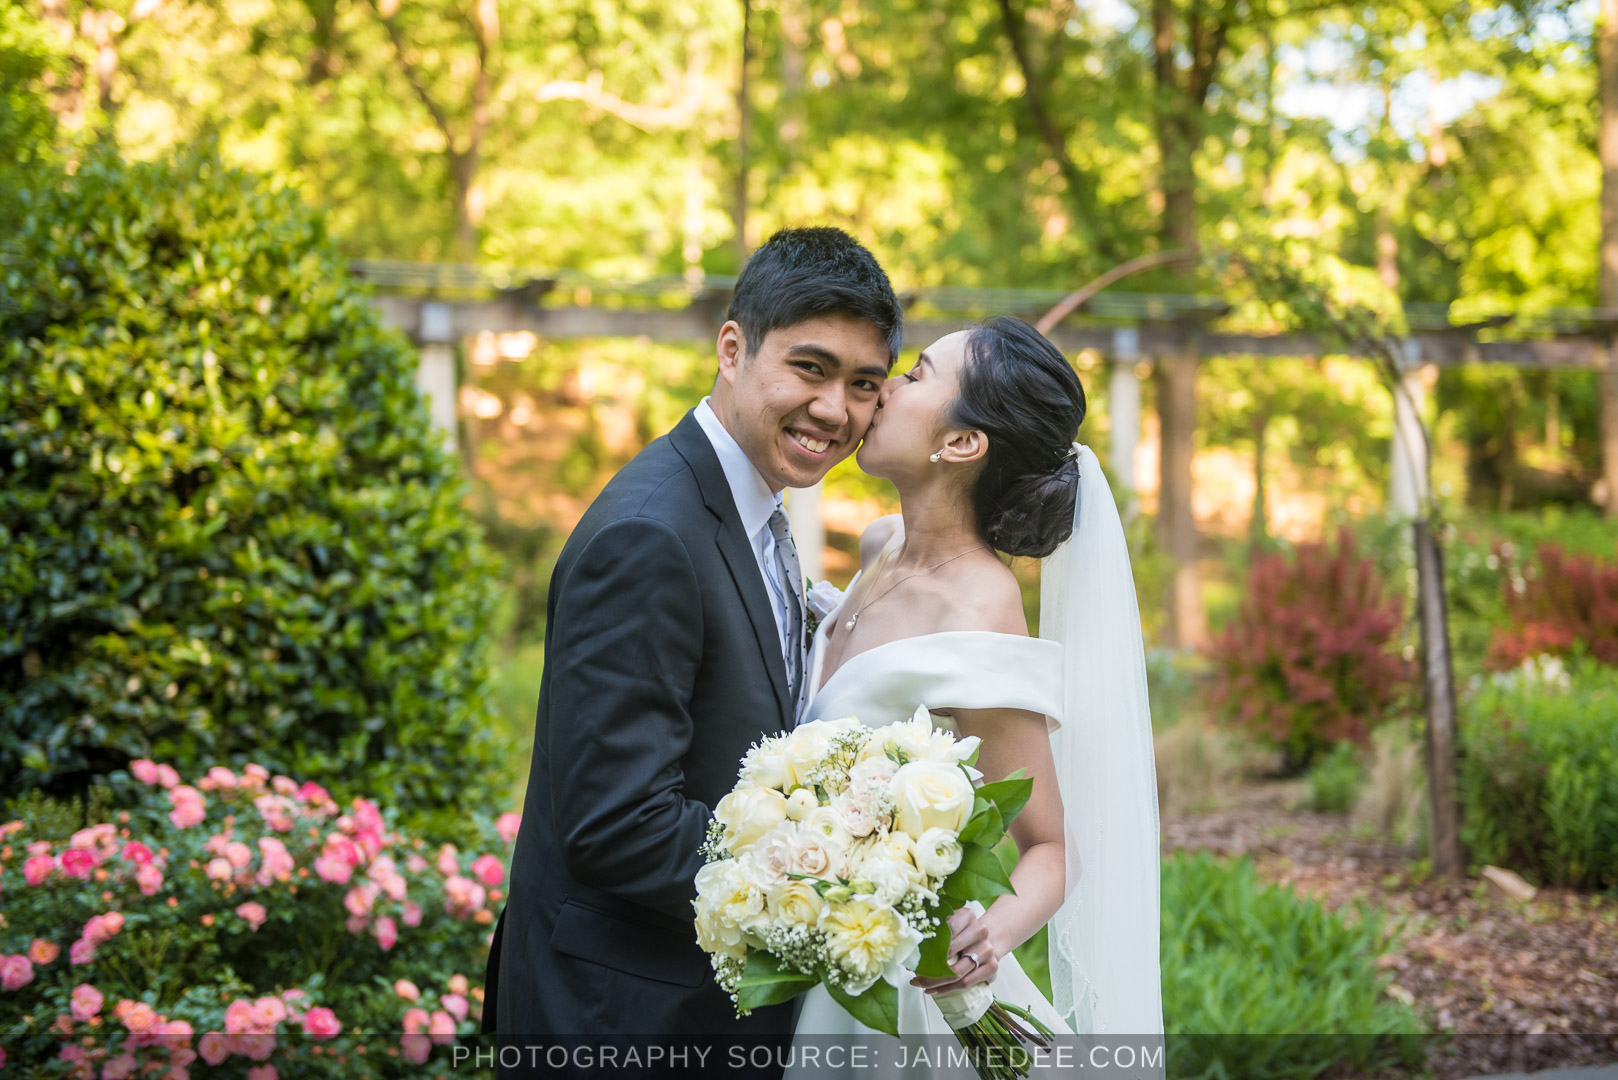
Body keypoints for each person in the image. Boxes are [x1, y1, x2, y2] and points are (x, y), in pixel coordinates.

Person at [482, 227, 903, 1076]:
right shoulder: (650, 534)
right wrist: (831, 884)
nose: (836, 410)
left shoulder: (748, 507)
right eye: (810, 368)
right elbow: (620, 825)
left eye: (864, 384)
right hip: (621, 1021)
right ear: (732, 349)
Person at [786, 317, 1164, 1077]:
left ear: (961, 443)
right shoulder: (880, 545)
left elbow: (1053, 850)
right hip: (803, 943)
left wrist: (983, 941)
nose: (883, 387)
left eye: (916, 375)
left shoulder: (978, 610)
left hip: (895, 996)